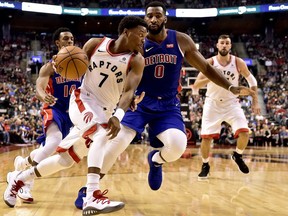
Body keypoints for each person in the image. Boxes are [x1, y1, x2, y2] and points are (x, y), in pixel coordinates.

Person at [72, 1, 254, 200]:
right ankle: (88, 191)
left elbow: (206, 68)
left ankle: (156, 160)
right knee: (115, 144)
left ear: (165, 18)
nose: (153, 19)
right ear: (145, 18)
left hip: (167, 105)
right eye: (149, 15)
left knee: (177, 146)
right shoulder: (137, 44)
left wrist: (229, 86)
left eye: (157, 15)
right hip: (139, 103)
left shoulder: (181, 40)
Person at [4, 15, 148, 215]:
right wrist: (57, 65)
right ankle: (92, 195)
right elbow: (68, 62)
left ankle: (20, 178)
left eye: (145, 36)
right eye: (140, 34)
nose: (143, 39)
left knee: (66, 158)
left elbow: (128, 92)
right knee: (101, 134)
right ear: (126, 32)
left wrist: (119, 114)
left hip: (105, 111)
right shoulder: (97, 44)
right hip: (84, 100)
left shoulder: (137, 60)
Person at [10, 27, 82, 203]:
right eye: (65, 39)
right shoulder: (49, 67)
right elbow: (39, 88)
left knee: (52, 150)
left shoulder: (81, 65)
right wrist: (44, 96)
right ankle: (23, 181)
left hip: (74, 114)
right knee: (54, 141)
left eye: (72, 39)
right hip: (54, 109)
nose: (70, 41)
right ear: (58, 43)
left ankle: (22, 163)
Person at [191, 34, 261, 179]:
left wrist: (255, 99)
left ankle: (238, 155)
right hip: (213, 103)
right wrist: (213, 75)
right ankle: (205, 165)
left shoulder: (237, 62)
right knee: (206, 138)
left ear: (230, 46)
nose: (224, 45)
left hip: (231, 103)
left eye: (227, 43)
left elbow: (251, 79)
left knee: (245, 132)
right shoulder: (209, 62)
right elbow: (196, 85)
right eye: (221, 43)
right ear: (217, 45)